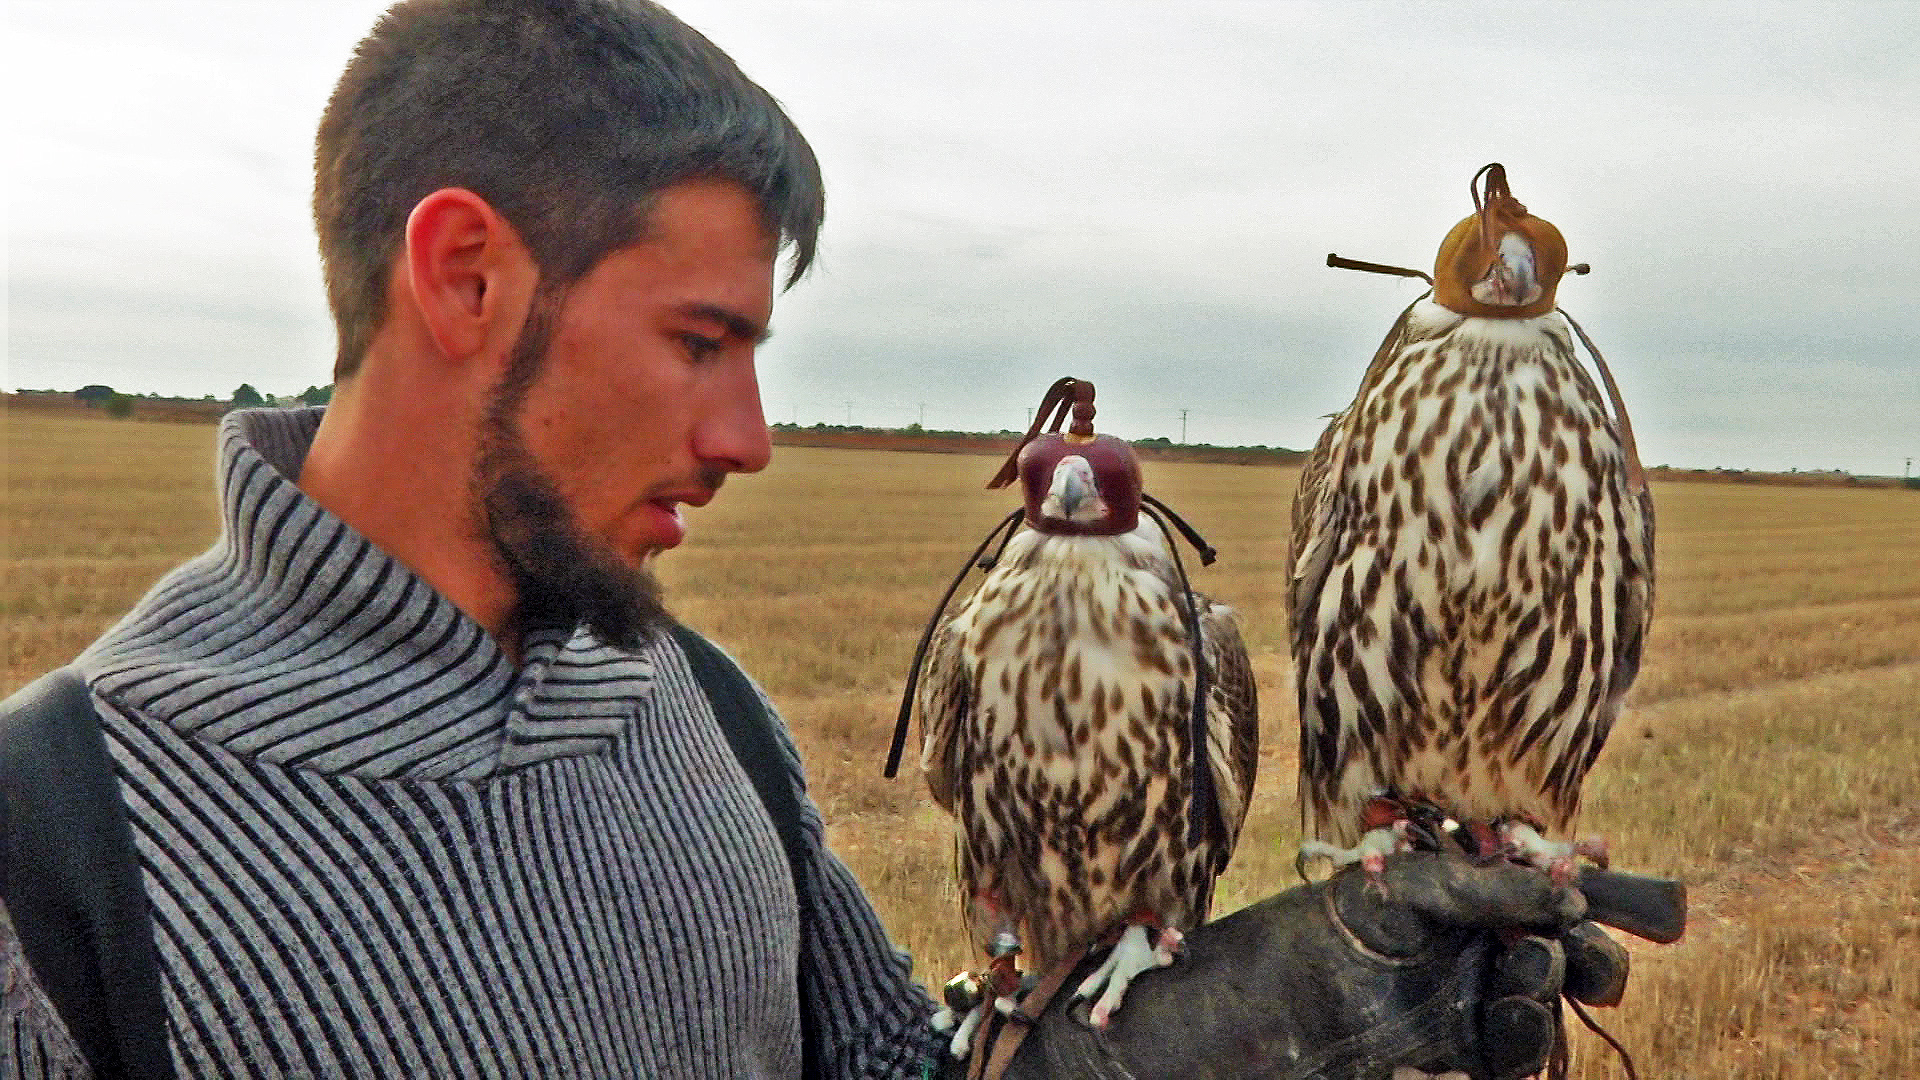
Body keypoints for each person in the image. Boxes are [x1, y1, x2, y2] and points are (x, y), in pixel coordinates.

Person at [0, 2, 1618, 1077]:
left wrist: (1253, 1022)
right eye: (702, 341)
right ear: (464, 276)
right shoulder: (54, 848)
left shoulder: (699, 718)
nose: (749, 439)